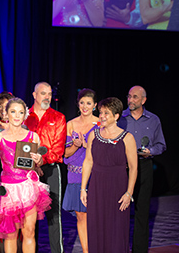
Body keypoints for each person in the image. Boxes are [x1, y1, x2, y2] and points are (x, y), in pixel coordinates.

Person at [0, 97, 52, 253]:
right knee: (10, 235)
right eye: (13, 112)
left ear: (25, 114)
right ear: (6, 114)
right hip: (8, 191)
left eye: (20, 112)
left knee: (29, 232)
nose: (17, 115)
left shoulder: (33, 137)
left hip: (28, 188)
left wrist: (39, 160)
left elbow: (37, 162)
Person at [80, 97, 137, 252]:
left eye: (106, 113)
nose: (102, 116)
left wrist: (129, 193)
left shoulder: (128, 138)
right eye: (101, 113)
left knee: (117, 229)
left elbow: (133, 167)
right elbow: (88, 162)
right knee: (96, 226)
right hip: (97, 187)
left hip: (118, 188)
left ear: (116, 116)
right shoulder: (93, 135)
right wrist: (83, 189)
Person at [118, 86, 166, 253]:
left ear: (143, 100)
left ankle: (139, 250)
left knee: (142, 211)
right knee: (120, 211)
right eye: (129, 96)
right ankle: (120, 247)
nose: (131, 100)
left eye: (135, 97)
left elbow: (161, 145)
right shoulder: (120, 118)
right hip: (122, 168)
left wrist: (150, 152)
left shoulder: (153, 120)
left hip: (144, 167)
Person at [24, 82, 67, 253]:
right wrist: (32, 165)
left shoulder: (58, 117)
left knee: (53, 217)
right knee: (29, 217)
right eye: (43, 93)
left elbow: (58, 149)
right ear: (34, 95)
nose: (47, 97)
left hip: (50, 170)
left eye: (49, 94)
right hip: (27, 171)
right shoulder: (25, 116)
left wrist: (42, 161)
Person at [62, 89, 99, 253]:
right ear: (78, 104)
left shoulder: (100, 124)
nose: (85, 106)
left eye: (89, 103)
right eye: (82, 102)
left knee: (96, 216)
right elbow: (64, 154)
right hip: (75, 174)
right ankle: (86, 251)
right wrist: (76, 145)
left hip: (95, 175)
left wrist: (87, 145)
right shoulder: (70, 124)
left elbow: (106, 152)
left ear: (95, 106)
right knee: (81, 215)